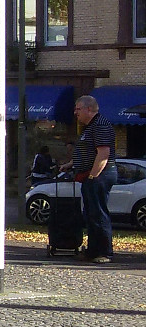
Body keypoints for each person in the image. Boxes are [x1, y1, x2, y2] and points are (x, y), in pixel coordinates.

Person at [71, 95, 116, 263]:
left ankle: (105, 252)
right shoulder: (91, 127)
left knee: (99, 213)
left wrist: (92, 176)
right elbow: (89, 151)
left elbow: (103, 154)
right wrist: (71, 163)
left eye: (78, 109)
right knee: (90, 214)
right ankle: (92, 251)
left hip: (100, 175)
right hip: (90, 174)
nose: (75, 112)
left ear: (89, 109)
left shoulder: (101, 125)